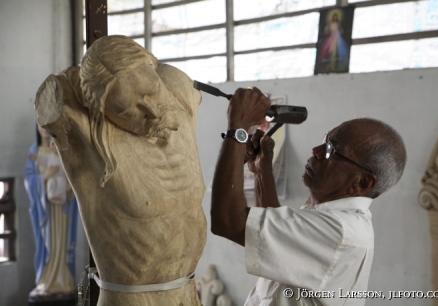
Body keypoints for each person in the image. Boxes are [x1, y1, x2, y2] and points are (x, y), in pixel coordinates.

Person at [34, 35, 206, 306]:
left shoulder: (178, 90)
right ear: (104, 113)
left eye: (151, 90)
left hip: (189, 292)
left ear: (154, 68)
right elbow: (62, 91)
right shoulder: (84, 126)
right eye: (128, 110)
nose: (150, 111)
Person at [210, 87, 407, 306]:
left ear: (362, 182)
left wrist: (238, 128)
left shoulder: (340, 231)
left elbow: (227, 220)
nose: (316, 150)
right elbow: (277, 232)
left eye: (332, 149)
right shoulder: (332, 215)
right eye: (325, 140)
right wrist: (261, 172)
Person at [25, 125, 78, 300]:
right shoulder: (35, 150)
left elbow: (72, 172)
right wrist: (45, 176)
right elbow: (29, 180)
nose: (43, 131)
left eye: (46, 127)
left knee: (61, 241)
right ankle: (47, 280)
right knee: (48, 242)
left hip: (63, 207)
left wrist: (69, 186)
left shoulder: (62, 149)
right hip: (44, 209)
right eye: (39, 127)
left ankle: (63, 280)